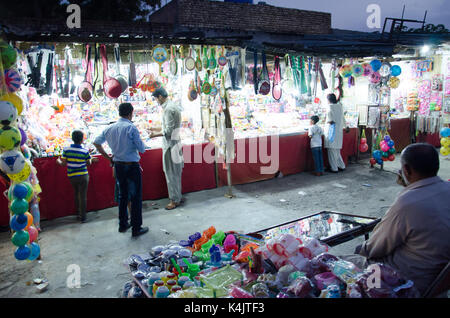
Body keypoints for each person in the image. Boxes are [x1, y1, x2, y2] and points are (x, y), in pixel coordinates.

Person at [354, 143, 450, 296]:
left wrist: (361, 249)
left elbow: (376, 247)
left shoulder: (408, 202)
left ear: (406, 170)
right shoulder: (446, 189)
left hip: (406, 280)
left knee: (342, 263)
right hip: (439, 279)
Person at [93, 103, 149, 238]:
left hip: (118, 165)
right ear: (130, 113)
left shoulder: (110, 128)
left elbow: (96, 142)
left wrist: (108, 158)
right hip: (131, 165)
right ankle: (136, 228)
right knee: (135, 197)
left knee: (123, 196)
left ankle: (123, 224)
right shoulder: (131, 128)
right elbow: (141, 149)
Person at [149, 88, 184, 211]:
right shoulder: (171, 105)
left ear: (160, 97)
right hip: (175, 142)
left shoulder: (168, 109)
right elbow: (168, 127)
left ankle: (174, 200)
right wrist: (155, 129)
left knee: (170, 173)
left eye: (156, 98)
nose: (156, 101)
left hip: (170, 144)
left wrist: (154, 135)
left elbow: (168, 131)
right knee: (176, 172)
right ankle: (178, 196)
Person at [57, 130, 98, 223]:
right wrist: (92, 159)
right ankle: (83, 217)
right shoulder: (84, 151)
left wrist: (58, 161)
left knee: (76, 194)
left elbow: (63, 164)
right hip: (83, 175)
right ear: (82, 140)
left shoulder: (66, 150)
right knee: (83, 196)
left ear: (72, 139)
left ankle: (78, 214)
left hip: (72, 176)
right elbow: (89, 163)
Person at [324, 93, 346, 173]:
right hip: (339, 131)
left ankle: (334, 168)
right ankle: (341, 165)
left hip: (331, 131)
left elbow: (330, 120)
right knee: (337, 151)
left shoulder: (329, 107)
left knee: (331, 151)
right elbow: (342, 118)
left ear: (328, 100)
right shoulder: (340, 106)